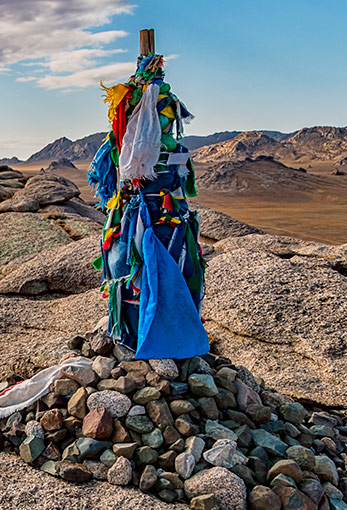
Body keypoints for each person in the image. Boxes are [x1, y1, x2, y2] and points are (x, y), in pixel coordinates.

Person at [87, 53, 209, 360]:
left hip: (159, 207)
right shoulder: (136, 139)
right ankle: (146, 331)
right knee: (133, 265)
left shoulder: (163, 143)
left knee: (158, 262)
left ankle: (161, 333)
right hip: (144, 205)